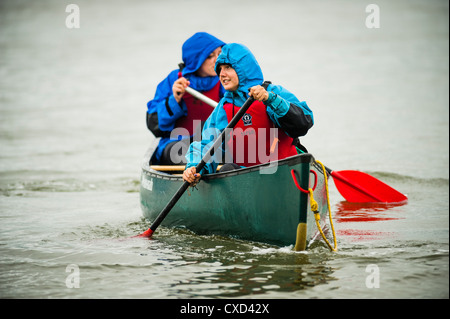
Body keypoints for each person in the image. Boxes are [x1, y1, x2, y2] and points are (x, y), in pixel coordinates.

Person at [183, 43, 314, 185]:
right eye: (220, 69)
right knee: (227, 169)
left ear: (242, 68)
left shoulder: (273, 92)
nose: (222, 74)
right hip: (249, 179)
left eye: (228, 67)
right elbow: (207, 146)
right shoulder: (223, 109)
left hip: (286, 172)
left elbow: (303, 123)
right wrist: (194, 168)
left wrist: (270, 100)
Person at [146, 32, 226, 164]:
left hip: (213, 144)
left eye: (219, 54)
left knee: (234, 151)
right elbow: (155, 126)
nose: (217, 60)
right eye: (210, 56)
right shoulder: (174, 80)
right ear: (196, 60)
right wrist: (175, 99)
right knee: (185, 154)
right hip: (177, 144)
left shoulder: (226, 79)